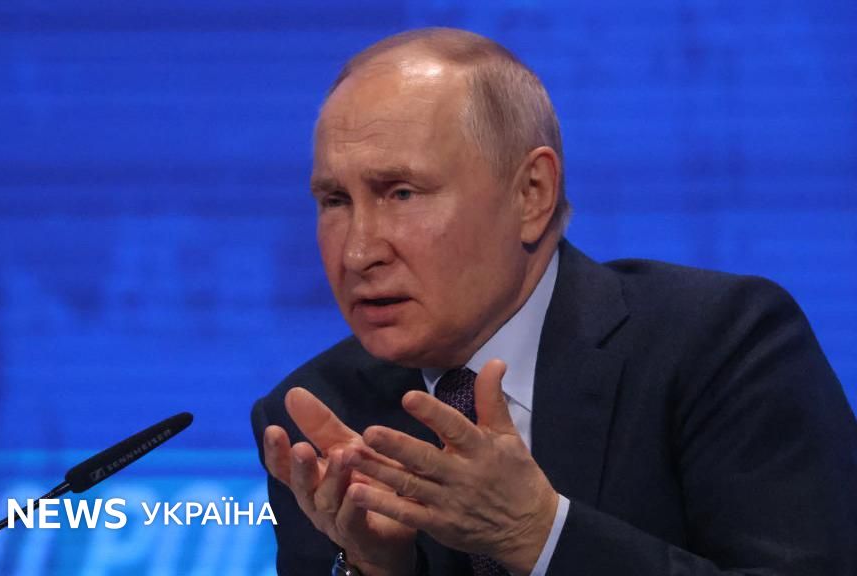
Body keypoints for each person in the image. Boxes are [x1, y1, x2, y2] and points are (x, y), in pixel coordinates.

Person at [250, 27, 857, 576]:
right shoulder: (315, 415)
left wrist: (540, 537)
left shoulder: (721, 344)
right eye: (334, 201)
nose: (358, 252)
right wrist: (377, 570)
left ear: (531, 194)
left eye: (402, 193)